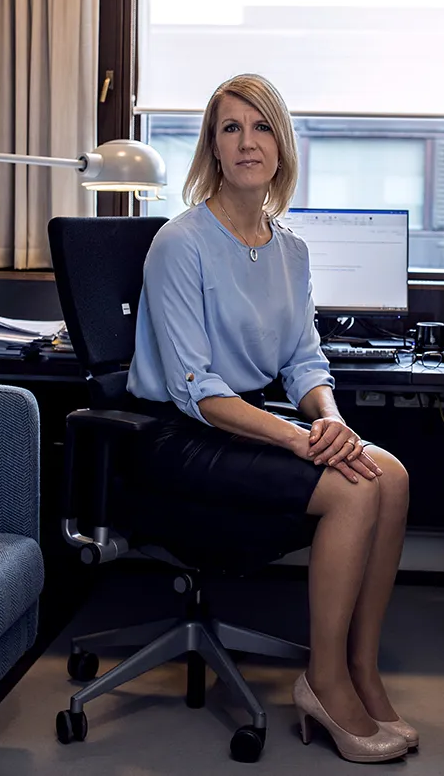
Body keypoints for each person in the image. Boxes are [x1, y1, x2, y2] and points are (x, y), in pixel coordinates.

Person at [126, 74, 415, 763]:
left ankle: (361, 667)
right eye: (231, 128)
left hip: (250, 419)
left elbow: (304, 361)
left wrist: (331, 421)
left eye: (260, 127)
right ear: (213, 148)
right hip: (179, 435)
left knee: (392, 475)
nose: (247, 142)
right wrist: (299, 437)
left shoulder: (291, 249)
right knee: (353, 489)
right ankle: (324, 680)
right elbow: (197, 390)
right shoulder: (179, 243)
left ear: (281, 144)